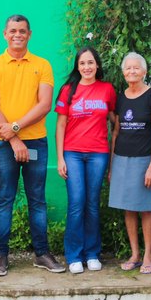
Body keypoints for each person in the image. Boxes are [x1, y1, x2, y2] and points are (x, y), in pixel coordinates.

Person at [0, 14, 65, 276]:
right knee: (4, 198)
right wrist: (14, 138)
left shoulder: (42, 65)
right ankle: (0, 255)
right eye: (12, 31)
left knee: (37, 200)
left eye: (22, 31)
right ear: (5, 34)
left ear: (29, 34)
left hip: (36, 142)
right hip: (4, 144)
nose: (17, 35)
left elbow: (44, 105)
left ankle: (41, 254)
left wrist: (16, 128)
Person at [55, 47, 116, 274]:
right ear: (77, 67)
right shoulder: (68, 90)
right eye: (82, 64)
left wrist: (114, 155)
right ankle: (73, 255)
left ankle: (92, 253)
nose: (87, 67)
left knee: (92, 204)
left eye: (91, 63)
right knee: (76, 202)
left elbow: (114, 122)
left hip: (98, 153)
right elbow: (60, 125)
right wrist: (60, 157)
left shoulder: (107, 90)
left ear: (97, 65)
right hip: (72, 153)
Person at [109, 52, 151, 275]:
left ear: (144, 71)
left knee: (145, 208)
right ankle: (135, 254)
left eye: (136, 68)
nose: (132, 71)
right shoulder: (120, 98)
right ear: (123, 73)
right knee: (128, 209)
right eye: (128, 68)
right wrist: (112, 166)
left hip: (144, 160)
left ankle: (148, 254)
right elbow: (116, 132)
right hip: (122, 159)